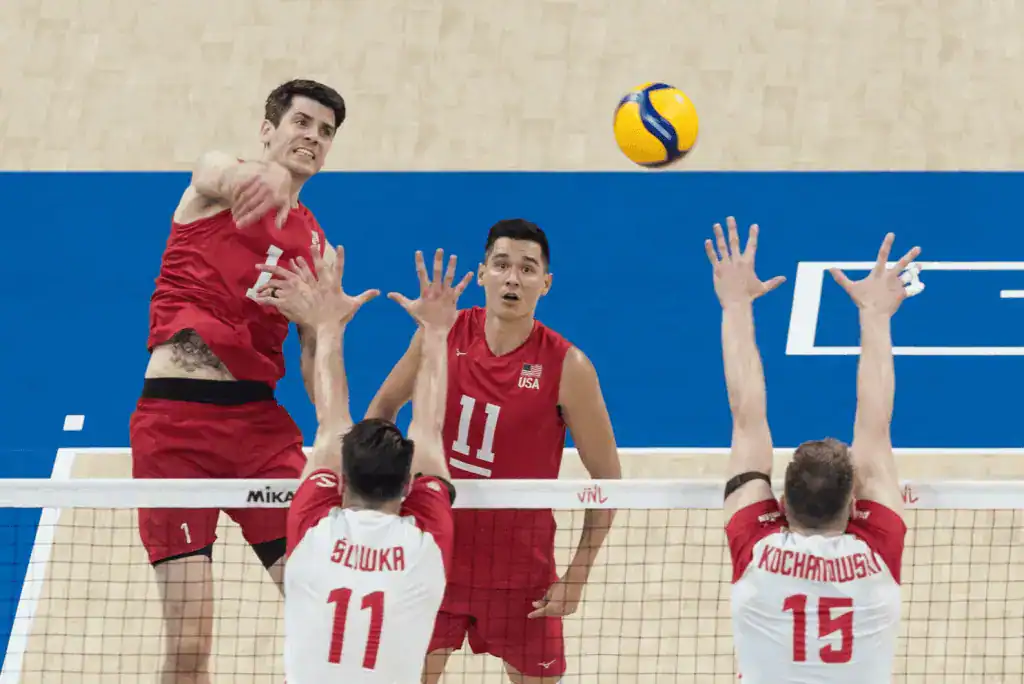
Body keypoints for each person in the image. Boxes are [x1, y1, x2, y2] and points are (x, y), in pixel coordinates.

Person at [129, 78, 346, 683]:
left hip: (259, 433)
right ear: (269, 130)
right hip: (175, 429)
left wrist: (327, 328)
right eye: (302, 123)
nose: (313, 138)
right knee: (192, 643)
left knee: (328, 608)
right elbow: (210, 169)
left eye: (325, 132)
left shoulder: (314, 242)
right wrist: (259, 178)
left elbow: (311, 359)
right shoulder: (215, 190)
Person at [366, 219, 622, 683]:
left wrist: (579, 571)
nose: (512, 278)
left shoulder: (569, 367)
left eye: (527, 269)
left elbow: (607, 480)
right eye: (501, 265)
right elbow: (381, 412)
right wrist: (377, 514)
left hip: (521, 577)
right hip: (431, 559)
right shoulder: (440, 336)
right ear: (482, 273)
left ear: (545, 284)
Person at [709, 217, 919, 683]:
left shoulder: (757, 549)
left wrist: (736, 305)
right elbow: (874, 431)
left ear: (781, 505)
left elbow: (746, 419)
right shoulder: (878, 551)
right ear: (853, 502)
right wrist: (876, 316)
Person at [254, 244, 472, 683]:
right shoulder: (424, 542)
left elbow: (330, 421)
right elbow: (428, 430)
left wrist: (328, 325)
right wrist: (436, 332)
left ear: (341, 480)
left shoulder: (313, 529)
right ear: (409, 487)